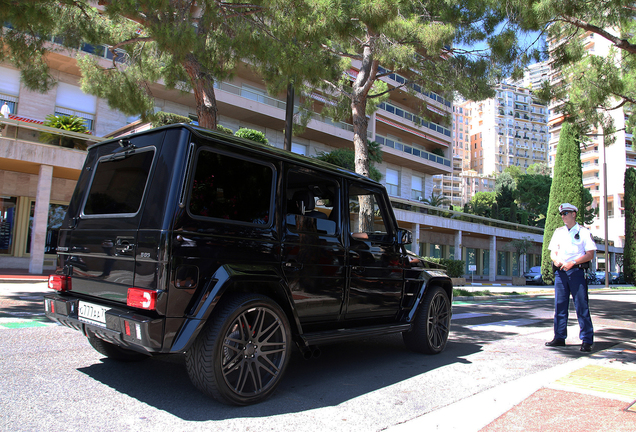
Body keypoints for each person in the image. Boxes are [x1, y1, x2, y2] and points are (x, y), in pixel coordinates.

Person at [546, 203, 596, 352]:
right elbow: (553, 251)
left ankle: (587, 340)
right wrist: (556, 260)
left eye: (565, 213)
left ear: (574, 214)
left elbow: (590, 254)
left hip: (576, 272)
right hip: (561, 272)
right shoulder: (558, 232)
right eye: (561, 214)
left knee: (581, 306)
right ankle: (559, 337)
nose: (563, 216)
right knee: (560, 306)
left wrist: (573, 262)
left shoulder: (583, 232)